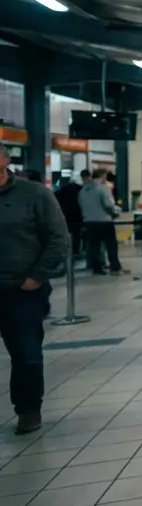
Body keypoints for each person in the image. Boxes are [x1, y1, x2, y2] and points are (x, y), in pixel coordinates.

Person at [0, 147, 67, 435]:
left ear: (4, 160)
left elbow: (57, 236)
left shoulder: (34, 194)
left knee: (25, 353)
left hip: (21, 289)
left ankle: (28, 410)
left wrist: (38, 276)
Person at [79, 168, 122, 274]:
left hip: (89, 221)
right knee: (111, 245)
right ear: (102, 176)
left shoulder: (83, 190)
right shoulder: (103, 188)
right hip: (104, 221)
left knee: (94, 246)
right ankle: (114, 266)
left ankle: (97, 268)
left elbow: (81, 205)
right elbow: (108, 205)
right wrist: (114, 212)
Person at [55, 170, 87, 267]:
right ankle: (75, 253)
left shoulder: (61, 191)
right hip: (78, 217)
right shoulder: (81, 189)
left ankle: (67, 254)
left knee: (66, 236)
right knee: (77, 236)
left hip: (66, 217)